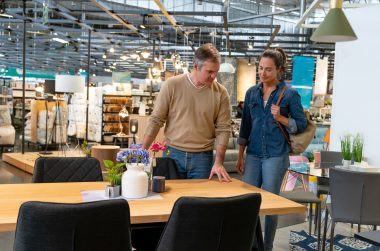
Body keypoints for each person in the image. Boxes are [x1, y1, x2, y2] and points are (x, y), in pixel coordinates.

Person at [236, 48, 307, 251]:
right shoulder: (251, 93)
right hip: (254, 154)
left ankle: (267, 247)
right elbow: (245, 126)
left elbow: (301, 124)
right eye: (260, 68)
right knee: (246, 202)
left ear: (279, 70)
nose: (263, 73)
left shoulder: (290, 95)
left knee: (269, 204)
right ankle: (250, 245)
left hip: (276, 155)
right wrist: (241, 155)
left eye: (268, 69)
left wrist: (282, 118)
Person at [142, 43, 232, 182]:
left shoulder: (221, 92)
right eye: (209, 72)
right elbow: (156, 120)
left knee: (198, 201)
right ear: (196, 66)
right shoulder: (172, 85)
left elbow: (223, 129)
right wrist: (142, 153)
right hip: (172, 154)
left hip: (202, 158)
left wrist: (219, 162)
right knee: (169, 198)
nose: (214, 76)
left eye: (216, 72)